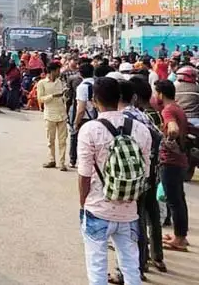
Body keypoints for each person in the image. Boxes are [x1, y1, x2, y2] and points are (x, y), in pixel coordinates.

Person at [77, 77, 151, 285]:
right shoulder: (140, 129)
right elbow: (144, 173)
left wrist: (83, 204)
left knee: (97, 267)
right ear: (120, 98)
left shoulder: (90, 129)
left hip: (97, 208)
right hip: (129, 210)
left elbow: (84, 174)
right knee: (130, 266)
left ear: (94, 99)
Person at [119, 77, 166, 280]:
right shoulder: (145, 115)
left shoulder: (126, 116)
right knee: (152, 215)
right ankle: (157, 257)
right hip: (152, 172)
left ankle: (138, 266)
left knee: (134, 221)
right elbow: (159, 138)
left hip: (137, 175)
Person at [154, 80, 190, 252]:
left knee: (174, 201)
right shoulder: (178, 108)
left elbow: (173, 129)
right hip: (180, 160)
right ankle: (180, 234)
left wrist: (167, 141)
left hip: (170, 161)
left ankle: (180, 239)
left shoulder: (168, 110)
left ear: (161, 94)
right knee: (179, 199)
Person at [38, 63, 68, 170]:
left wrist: (65, 96)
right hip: (50, 114)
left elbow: (63, 97)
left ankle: (62, 163)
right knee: (50, 140)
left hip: (62, 113)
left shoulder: (60, 82)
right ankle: (52, 160)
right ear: (52, 71)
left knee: (63, 140)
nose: (59, 72)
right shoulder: (42, 83)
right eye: (57, 70)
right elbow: (40, 99)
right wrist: (53, 96)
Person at [72, 62, 96, 168]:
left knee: (80, 142)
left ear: (80, 73)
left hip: (85, 119)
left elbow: (81, 109)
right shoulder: (97, 83)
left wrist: (76, 122)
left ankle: (75, 161)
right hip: (97, 118)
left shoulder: (82, 87)